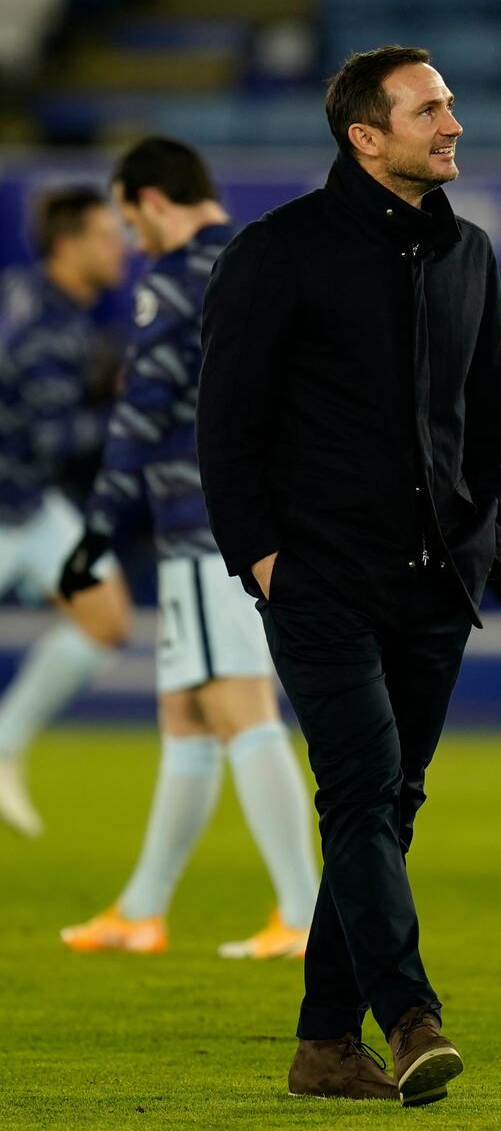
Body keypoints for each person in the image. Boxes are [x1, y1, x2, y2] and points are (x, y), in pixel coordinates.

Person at [197, 46, 501, 1106]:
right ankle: (411, 1013)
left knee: (385, 803)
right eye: (429, 108)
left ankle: (325, 1044)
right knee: (365, 789)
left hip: (434, 586)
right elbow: (225, 426)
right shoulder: (276, 252)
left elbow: (490, 426)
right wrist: (264, 559)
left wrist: (484, 534)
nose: (453, 122)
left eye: (452, 105)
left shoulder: (468, 254)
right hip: (319, 580)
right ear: (364, 136)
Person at [58, 137, 319, 959]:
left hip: (206, 526)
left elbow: (141, 416)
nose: (131, 241)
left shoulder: (174, 278)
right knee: (187, 717)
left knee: (240, 707)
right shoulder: (260, 260)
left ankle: (306, 912)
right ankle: (142, 906)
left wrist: (96, 529)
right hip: (246, 518)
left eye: (130, 221)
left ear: (155, 202)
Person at [0, 186, 131, 838]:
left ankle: (3, 744)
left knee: (103, 614)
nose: (120, 247)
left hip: (27, 502)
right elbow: (57, 438)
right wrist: (130, 415)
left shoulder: (41, 301)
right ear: (69, 244)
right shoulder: (48, 328)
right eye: (107, 235)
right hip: (6, 502)